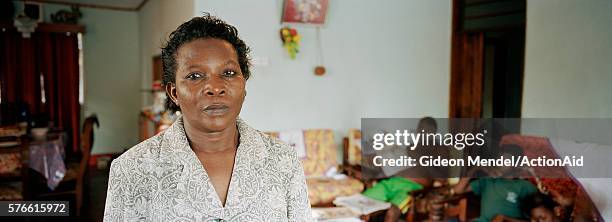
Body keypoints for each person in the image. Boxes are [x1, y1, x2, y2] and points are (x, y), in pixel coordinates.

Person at [103, 14, 312, 221]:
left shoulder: (283, 160)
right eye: (195, 76)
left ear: (244, 85)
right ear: (174, 93)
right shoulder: (132, 170)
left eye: (228, 73)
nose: (215, 87)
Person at [451, 144, 537, 222]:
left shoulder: (524, 186)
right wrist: (477, 167)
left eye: (506, 160)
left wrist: (506, 219)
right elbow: (458, 190)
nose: (500, 163)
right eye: (499, 159)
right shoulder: (487, 181)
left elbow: (534, 218)